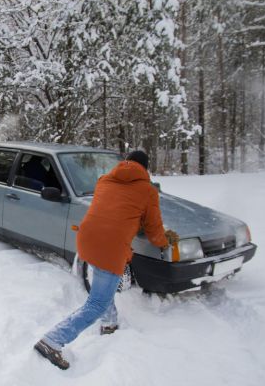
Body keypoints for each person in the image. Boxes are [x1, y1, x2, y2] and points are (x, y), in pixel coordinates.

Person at [34, 150, 179, 370]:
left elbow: (113, 208)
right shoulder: (147, 191)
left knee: (102, 288)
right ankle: (52, 341)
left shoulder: (104, 180)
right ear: (145, 168)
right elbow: (153, 230)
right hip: (110, 248)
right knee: (97, 304)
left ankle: (109, 324)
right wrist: (163, 241)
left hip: (87, 239)